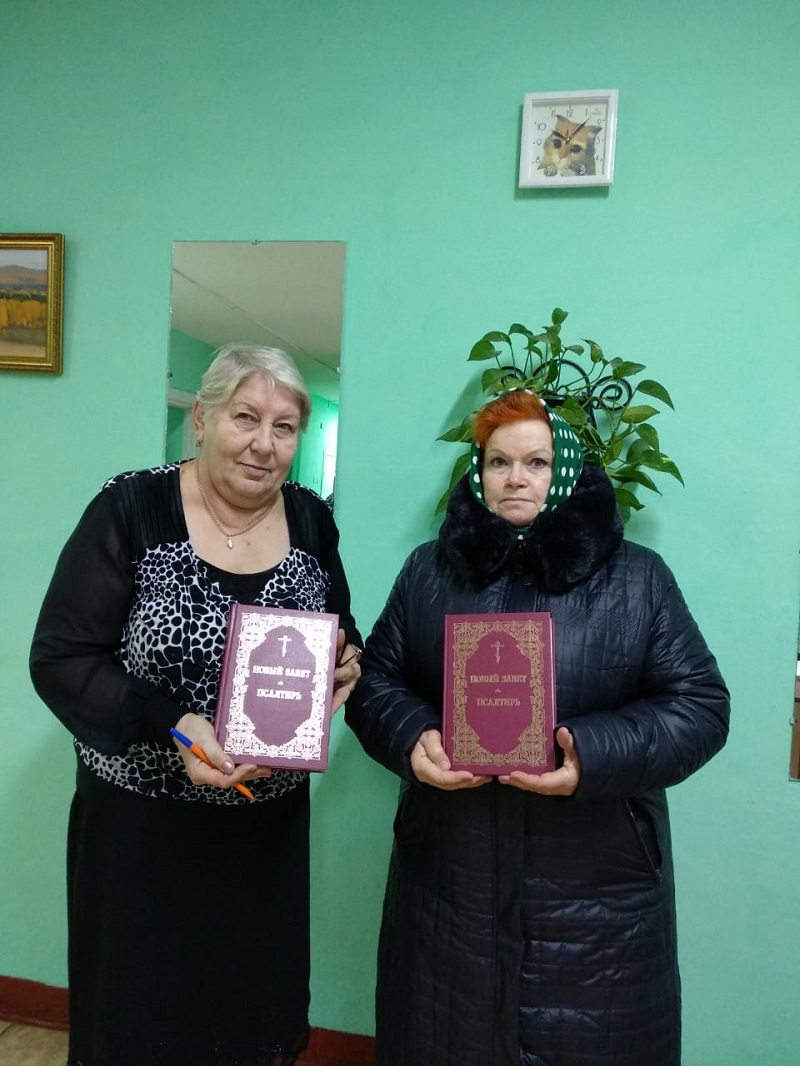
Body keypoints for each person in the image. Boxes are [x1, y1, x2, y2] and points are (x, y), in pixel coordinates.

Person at [345, 388, 730, 1066]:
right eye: (498, 462)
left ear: (568, 471)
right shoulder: (428, 572)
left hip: (596, 905)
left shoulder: (639, 579)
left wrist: (592, 755)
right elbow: (375, 682)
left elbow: (700, 705)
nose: (515, 478)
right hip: (448, 889)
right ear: (478, 473)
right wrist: (412, 737)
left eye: (537, 462)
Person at [30, 343, 362, 1066]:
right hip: (141, 835)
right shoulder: (131, 508)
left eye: (284, 427)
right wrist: (175, 725)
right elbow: (61, 658)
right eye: (246, 417)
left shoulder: (311, 520)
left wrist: (345, 663)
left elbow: (338, 626)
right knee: (139, 1028)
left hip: (263, 837)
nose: (264, 444)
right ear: (203, 420)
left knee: (247, 1025)